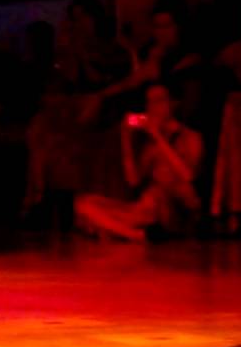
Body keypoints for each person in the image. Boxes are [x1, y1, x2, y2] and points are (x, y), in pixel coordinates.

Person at [75, 82, 202, 242]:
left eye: (158, 101)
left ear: (173, 103)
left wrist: (158, 137)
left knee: (154, 198)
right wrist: (125, 139)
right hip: (145, 209)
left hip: (174, 207)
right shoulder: (150, 145)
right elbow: (133, 181)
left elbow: (189, 175)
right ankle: (135, 235)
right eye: (149, 103)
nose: (153, 107)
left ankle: (113, 229)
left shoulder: (192, 137)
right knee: (83, 204)